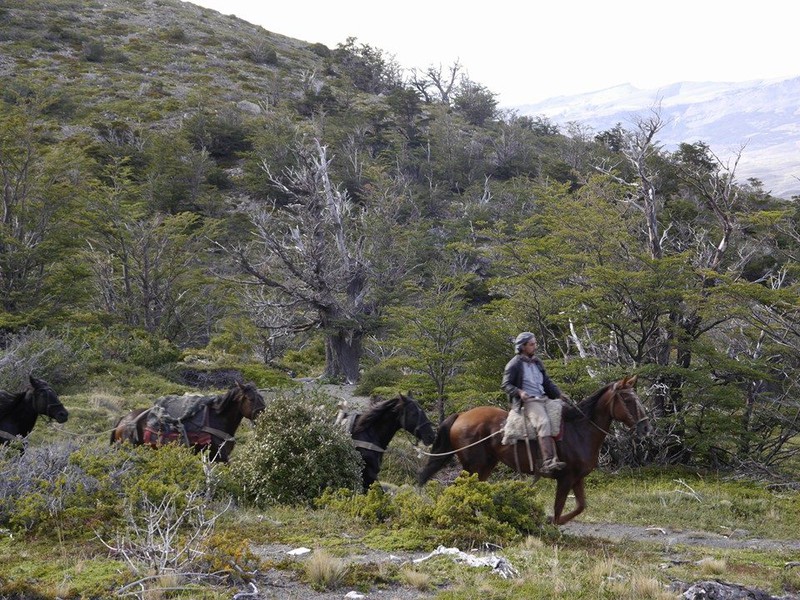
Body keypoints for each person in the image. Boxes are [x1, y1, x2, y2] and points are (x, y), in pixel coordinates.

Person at [501, 331, 566, 474]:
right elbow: (506, 385)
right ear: (523, 346)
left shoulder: (537, 362)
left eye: (535, 343)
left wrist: (559, 394)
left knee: (566, 412)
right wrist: (519, 392)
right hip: (529, 402)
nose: (535, 346)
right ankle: (548, 462)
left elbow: (547, 382)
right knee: (543, 422)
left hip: (544, 398)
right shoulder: (514, 364)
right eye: (532, 344)